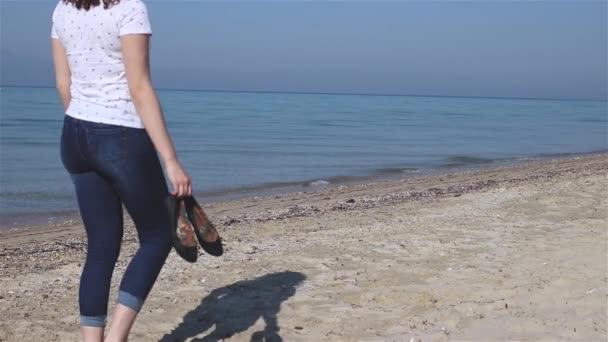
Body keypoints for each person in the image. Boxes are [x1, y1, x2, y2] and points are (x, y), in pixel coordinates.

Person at [51, 0, 191, 340]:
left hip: (75, 134)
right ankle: (116, 337)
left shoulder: (62, 9)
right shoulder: (129, 8)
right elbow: (139, 87)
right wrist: (170, 159)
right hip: (121, 136)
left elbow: (62, 83)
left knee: (100, 247)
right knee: (158, 236)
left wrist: (86, 125)